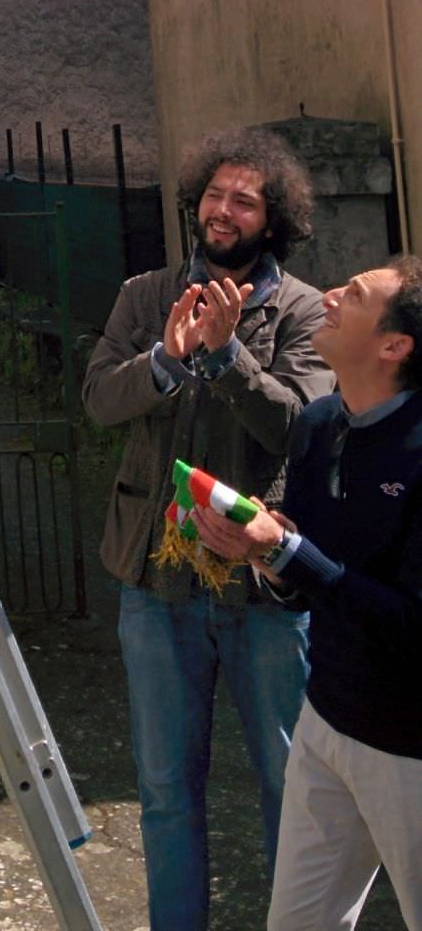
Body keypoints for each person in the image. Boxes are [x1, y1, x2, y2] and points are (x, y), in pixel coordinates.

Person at [82, 126, 333, 931]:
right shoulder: (144, 295)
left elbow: (298, 427)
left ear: (275, 220)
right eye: (216, 195)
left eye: (245, 200)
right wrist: (166, 359)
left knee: (290, 789)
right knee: (164, 792)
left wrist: (227, 360)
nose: (223, 211)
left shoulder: (301, 311)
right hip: (157, 589)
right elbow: (99, 402)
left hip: (262, 591)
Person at [194, 254, 422, 931]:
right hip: (325, 722)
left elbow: (410, 624)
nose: (327, 295)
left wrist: (284, 551)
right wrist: (262, 555)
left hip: (410, 748)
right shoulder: (321, 425)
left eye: (352, 295)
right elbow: (311, 579)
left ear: (393, 345)